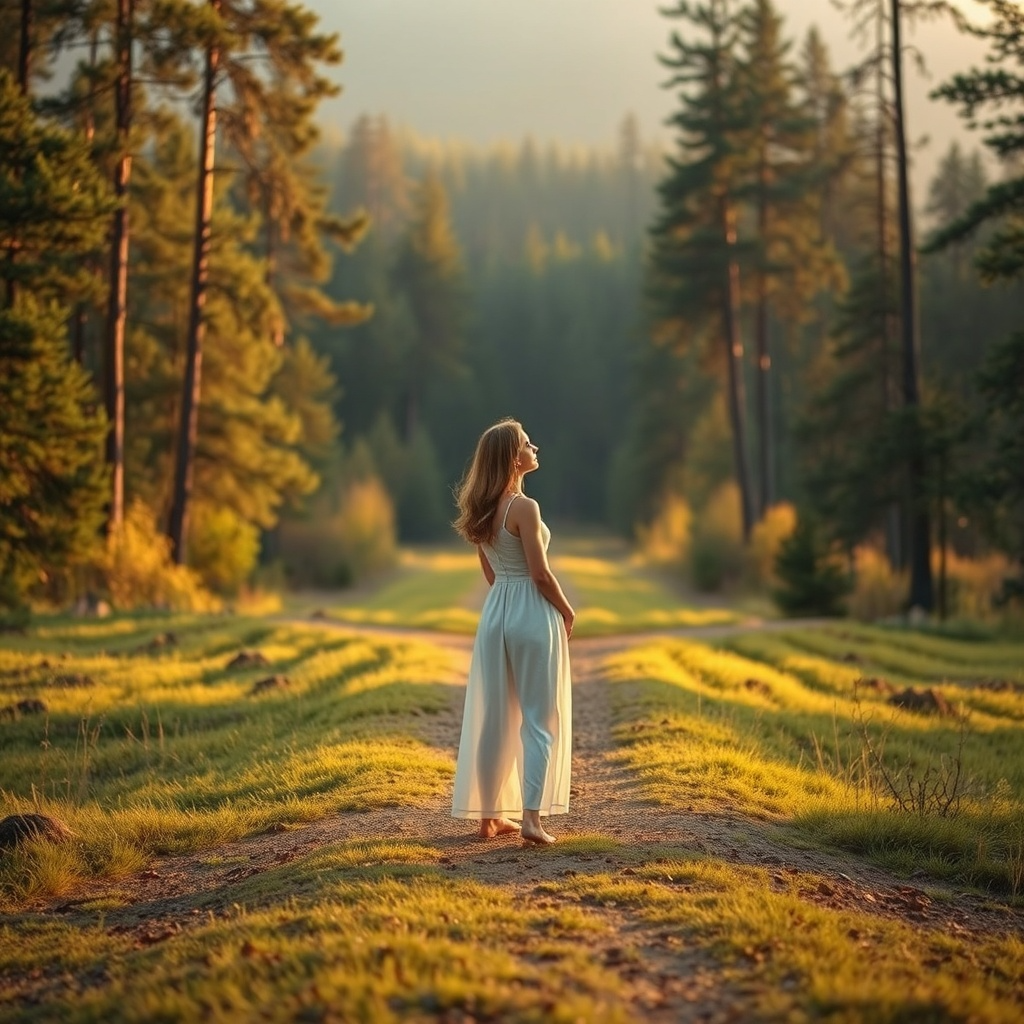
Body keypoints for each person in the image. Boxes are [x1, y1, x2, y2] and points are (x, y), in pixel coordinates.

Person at [451, 418, 574, 845]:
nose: (533, 447)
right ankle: (531, 820)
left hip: (497, 613)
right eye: (526, 443)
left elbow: (491, 573)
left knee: (496, 718)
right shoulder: (524, 507)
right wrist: (566, 610)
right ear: (512, 457)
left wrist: (507, 596)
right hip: (531, 612)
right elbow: (540, 574)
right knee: (540, 718)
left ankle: (489, 819)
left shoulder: (482, 509)